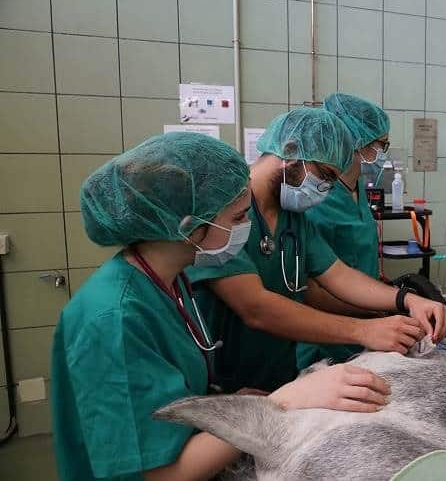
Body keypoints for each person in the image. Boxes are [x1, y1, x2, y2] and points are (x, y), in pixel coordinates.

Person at [51, 133, 391, 481]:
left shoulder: (171, 281)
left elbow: (172, 397)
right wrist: (276, 405)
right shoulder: (115, 320)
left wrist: (227, 404)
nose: (245, 227)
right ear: (189, 226)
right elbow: (159, 475)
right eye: (238, 217)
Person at [187, 107, 446, 394]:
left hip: (277, 377)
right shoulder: (223, 213)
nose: (324, 188)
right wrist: (364, 331)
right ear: (290, 151)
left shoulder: (292, 218)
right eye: (323, 175)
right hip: (225, 384)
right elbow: (256, 308)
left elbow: (338, 275)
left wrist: (406, 299)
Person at [299, 93, 391, 368]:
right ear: (355, 141)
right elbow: (313, 284)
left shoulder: (358, 188)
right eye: (380, 145)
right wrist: (380, 308)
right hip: (326, 334)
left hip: (366, 321)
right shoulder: (317, 196)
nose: (382, 154)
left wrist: (384, 299)